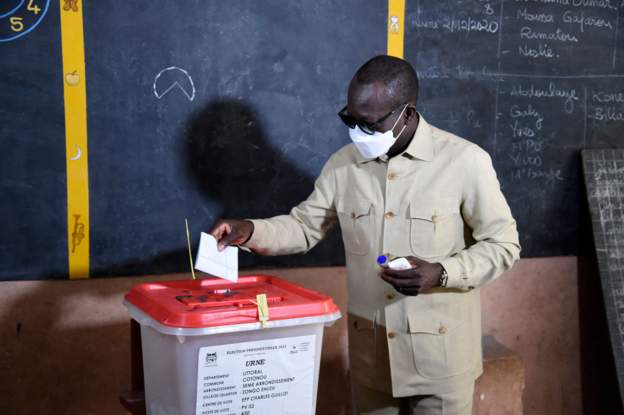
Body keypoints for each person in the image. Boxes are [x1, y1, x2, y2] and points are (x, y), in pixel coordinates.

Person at [210, 55, 520, 415]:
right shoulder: (343, 165)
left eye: (369, 124)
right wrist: (250, 231)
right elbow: (304, 227)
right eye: (350, 119)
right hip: (372, 362)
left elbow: (503, 246)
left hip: (441, 364)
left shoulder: (464, 162)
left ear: (406, 113)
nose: (358, 132)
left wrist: (441, 272)